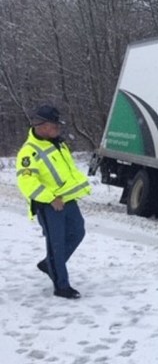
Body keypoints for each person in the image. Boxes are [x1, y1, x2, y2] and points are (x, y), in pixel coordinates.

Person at [16, 105, 91, 299]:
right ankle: (61, 286)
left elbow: (69, 171)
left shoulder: (59, 144)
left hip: (68, 200)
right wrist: (50, 198)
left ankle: (50, 264)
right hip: (49, 204)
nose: (59, 127)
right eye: (55, 124)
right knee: (56, 245)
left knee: (78, 232)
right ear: (41, 125)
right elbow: (27, 182)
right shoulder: (29, 152)